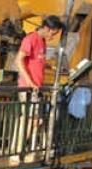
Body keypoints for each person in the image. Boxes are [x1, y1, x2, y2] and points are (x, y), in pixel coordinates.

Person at [13, 16, 65, 155]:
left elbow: (37, 61)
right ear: (46, 28)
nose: (52, 37)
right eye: (52, 33)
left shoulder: (42, 41)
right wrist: (29, 82)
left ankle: (21, 148)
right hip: (28, 87)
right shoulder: (31, 39)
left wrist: (49, 66)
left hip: (36, 87)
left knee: (36, 119)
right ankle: (18, 150)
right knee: (32, 119)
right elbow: (18, 61)